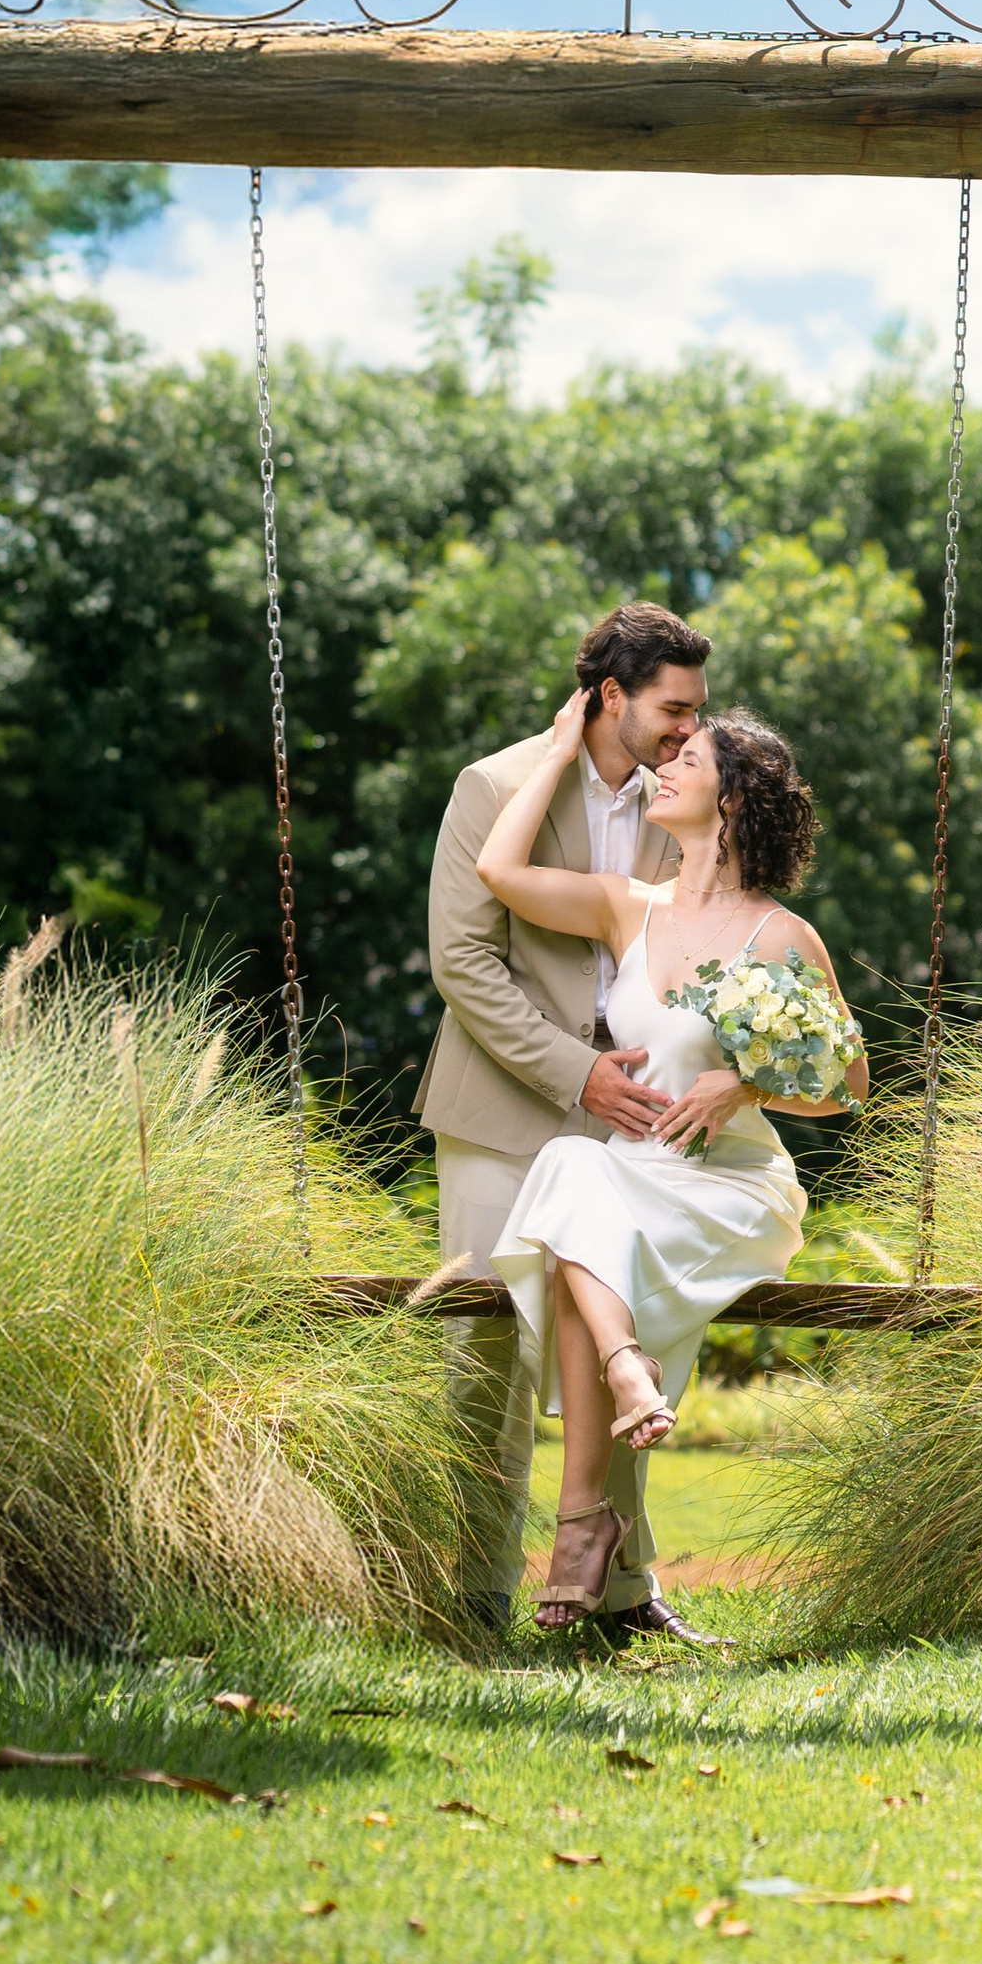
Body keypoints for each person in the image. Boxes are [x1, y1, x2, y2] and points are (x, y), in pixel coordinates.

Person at [475, 687, 868, 1632]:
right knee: (574, 1172)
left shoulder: (781, 936)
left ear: (730, 800)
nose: (665, 767)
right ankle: (622, 1385)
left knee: (575, 1216)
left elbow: (850, 1085)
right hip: (630, 1175)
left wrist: (749, 1088)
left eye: (688, 762)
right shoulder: (628, 908)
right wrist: (559, 751)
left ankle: (585, 1509)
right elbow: (500, 869)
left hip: (729, 1186)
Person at [419, 599, 712, 1640]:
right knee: (484, 1354)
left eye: (696, 712)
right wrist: (574, 1072)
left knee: (627, 1341)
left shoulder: (688, 799)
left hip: (634, 1120)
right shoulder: (494, 786)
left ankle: (623, 1597)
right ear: (611, 696)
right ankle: (470, 1596)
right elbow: (462, 960)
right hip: (503, 1109)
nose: (689, 730)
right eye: (673, 710)